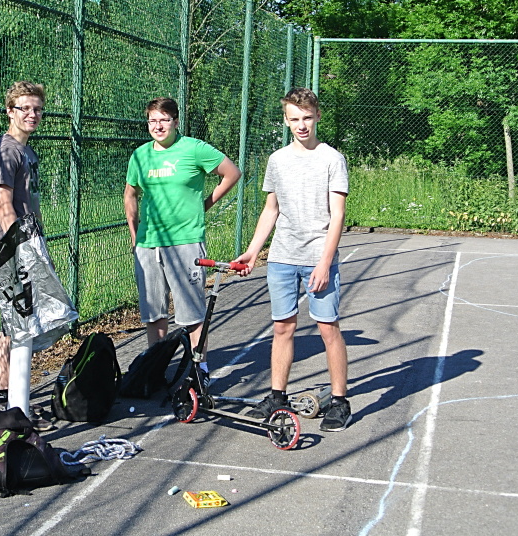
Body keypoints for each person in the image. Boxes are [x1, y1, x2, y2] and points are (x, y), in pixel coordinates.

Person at [233, 87, 352, 432]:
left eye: (307, 118)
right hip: (282, 257)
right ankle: (277, 397)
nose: (302, 125)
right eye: (295, 118)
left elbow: (338, 214)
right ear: (286, 120)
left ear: (317, 117)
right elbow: (271, 209)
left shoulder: (332, 158)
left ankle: (340, 401)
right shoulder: (277, 160)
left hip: (318, 258)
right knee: (282, 327)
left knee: (328, 328)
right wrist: (253, 250)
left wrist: (324, 263)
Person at [124, 97, 241, 390]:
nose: (158, 126)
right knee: (154, 314)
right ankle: (155, 372)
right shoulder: (140, 155)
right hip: (149, 244)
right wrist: (135, 236)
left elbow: (232, 173)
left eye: (164, 120)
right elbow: (130, 194)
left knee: (191, 314)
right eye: (153, 120)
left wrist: (204, 205)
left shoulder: (194, 149)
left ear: (176, 122)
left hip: (185, 242)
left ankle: (199, 371)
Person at [0, 80, 53, 431]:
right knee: (14, 321)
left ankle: (11, 397)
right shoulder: (6, 151)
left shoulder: (28, 152)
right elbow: (2, 202)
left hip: (30, 243)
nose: (32, 114)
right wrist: (21, 246)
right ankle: (7, 401)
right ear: (10, 111)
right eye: (24, 108)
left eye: (37, 109)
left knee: (16, 323)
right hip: (12, 250)